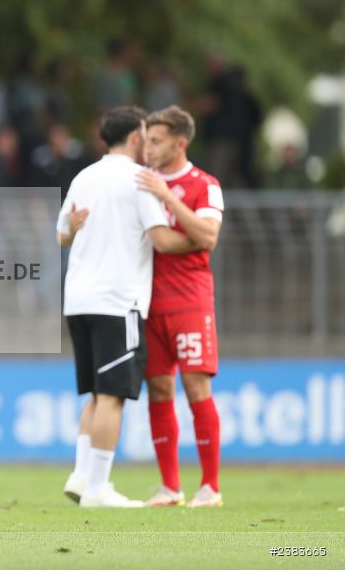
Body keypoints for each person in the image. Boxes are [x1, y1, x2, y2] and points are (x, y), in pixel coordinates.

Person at [57, 106, 195, 508]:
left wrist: (76, 228)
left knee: (96, 395)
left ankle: (82, 477)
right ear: (136, 136)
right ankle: (99, 489)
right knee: (112, 395)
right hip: (118, 300)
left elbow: (62, 235)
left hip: (78, 299)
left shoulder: (85, 176)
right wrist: (200, 241)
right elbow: (163, 239)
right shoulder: (140, 181)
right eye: (146, 135)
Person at [135, 106, 224, 508]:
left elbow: (207, 235)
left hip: (190, 301)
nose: (148, 148)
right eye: (147, 140)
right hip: (149, 301)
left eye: (156, 141)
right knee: (158, 388)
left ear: (179, 142)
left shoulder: (204, 184)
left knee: (195, 386)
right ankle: (170, 487)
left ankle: (211, 487)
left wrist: (167, 195)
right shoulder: (138, 184)